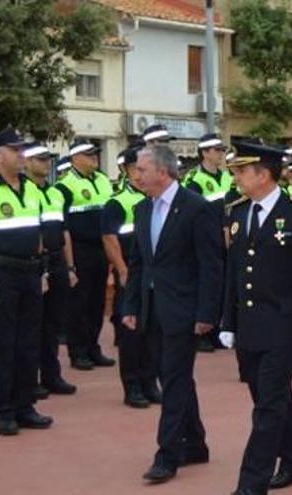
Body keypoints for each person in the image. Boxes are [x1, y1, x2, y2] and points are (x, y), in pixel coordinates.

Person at [218, 141, 292, 495]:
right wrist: (227, 322)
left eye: (241, 171)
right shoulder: (236, 211)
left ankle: (251, 484)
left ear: (263, 174)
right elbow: (233, 272)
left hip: (283, 325)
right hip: (248, 325)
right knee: (271, 398)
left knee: (267, 408)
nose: (235, 177)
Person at [121, 144, 223, 485]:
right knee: (173, 377)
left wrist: (207, 313)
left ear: (162, 172)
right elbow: (138, 264)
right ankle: (195, 443)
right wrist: (131, 306)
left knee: (175, 379)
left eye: (142, 169)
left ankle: (167, 455)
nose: (137, 175)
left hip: (184, 311)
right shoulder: (141, 209)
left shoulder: (196, 209)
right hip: (152, 310)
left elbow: (211, 266)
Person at [0, 126, 52, 435]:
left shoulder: (32, 189)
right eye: (15, 150)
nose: (21, 155)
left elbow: (38, 235)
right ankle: (3, 411)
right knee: (4, 345)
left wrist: (41, 271)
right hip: (1, 274)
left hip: (30, 273)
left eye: (21, 150)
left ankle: (25, 406)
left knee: (30, 343)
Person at [102, 146, 160, 408]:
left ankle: (150, 382)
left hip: (154, 275)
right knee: (131, 332)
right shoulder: (117, 201)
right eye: (134, 169)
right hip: (131, 275)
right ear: (125, 171)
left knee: (151, 332)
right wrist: (122, 270)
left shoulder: (155, 198)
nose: (139, 175)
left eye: (143, 169)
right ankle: (132, 386)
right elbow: (109, 237)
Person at [23, 143, 78, 397]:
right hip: (36, 263)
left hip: (58, 261)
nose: (46, 163)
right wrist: (41, 267)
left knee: (54, 322)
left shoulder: (55, 194)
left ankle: (51, 374)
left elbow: (64, 231)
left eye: (48, 159)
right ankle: (30, 379)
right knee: (33, 324)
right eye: (40, 159)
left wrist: (70, 266)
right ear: (27, 162)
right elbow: (35, 232)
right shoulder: (24, 192)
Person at [55, 138, 115, 370]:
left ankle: (93, 347)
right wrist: (69, 262)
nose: (95, 158)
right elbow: (64, 227)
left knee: (97, 302)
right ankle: (78, 351)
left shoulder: (102, 180)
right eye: (89, 155)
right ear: (75, 159)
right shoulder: (64, 186)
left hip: (101, 247)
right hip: (80, 249)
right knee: (78, 302)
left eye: (95, 154)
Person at [182, 132, 233, 353]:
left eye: (222, 150)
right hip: (205, 237)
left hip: (226, 235)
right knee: (205, 284)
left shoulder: (227, 177)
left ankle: (215, 331)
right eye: (217, 150)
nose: (221, 154)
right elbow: (192, 213)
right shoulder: (194, 180)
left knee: (222, 284)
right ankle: (201, 333)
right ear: (204, 153)